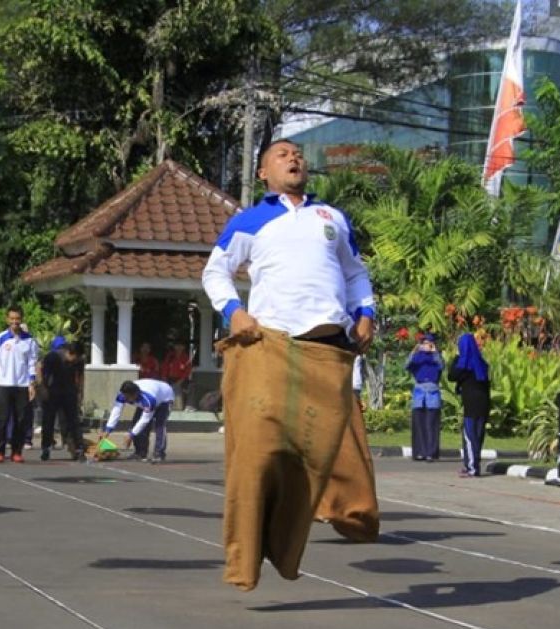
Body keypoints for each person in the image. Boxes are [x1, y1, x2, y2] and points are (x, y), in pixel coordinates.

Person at [201, 137, 379, 591]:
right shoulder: (251, 220)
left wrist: (367, 314)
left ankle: (315, 527)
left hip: (328, 350)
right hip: (270, 346)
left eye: (298, 153)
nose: (294, 158)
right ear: (263, 173)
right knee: (258, 456)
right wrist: (233, 312)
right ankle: (245, 558)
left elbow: (356, 273)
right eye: (282, 154)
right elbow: (214, 271)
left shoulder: (332, 218)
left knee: (319, 456)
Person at [0, 306, 38, 463]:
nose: (15, 322)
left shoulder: (29, 340)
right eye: (12, 319)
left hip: (22, 385)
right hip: (3, 383)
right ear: (7, 319)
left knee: (20, 419)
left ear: (21, 319)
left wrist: (32, 384)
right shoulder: (0, 338)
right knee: (2, 418)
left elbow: (32, 362)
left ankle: (16, 451)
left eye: (17, 319)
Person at [448, 332, 491, 478]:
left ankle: (472, 468)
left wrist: (456, 356)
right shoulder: (482, 363)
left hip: (471, 405)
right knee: (478, 436)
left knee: (469, 436)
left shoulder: (464, 365)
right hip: (484, 403)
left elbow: (451, 375)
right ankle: (473, 465)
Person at [102, 379, 174, 463]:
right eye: (125, 397)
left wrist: (131, 435)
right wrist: (108, 430)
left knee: (159, 425)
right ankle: (140, 452)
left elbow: (145, 420)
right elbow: (116, 411)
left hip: (165, 399)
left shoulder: (148, 400)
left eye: (128, 398)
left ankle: (159, 453)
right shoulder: (122, 395)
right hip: (153, 392)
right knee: (136, 423)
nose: (126, 399)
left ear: (135, 394)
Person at [39, 336, 82, 461]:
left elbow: (80, 376)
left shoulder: (78, 360)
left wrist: (79, 393)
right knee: (48, 421)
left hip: (69, 392)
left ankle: (77, 448)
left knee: (72, 421)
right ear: (69, 353)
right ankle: (46, 448)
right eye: (74, 358)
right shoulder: (53, 357)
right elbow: (40, 370)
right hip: (52, 391)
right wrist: (43, 388)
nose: (75, 361)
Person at [405, 333, 444, 462]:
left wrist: (434, 352)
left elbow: (442, 366)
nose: (426, 346)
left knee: (431, 423)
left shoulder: (436, 357)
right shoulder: (417, 357)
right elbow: (407, 365)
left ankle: (431, 453)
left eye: (429, 343)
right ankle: (419, 452)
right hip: (419, 391)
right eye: (424, 343)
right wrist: (414, 350)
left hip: (432, 391)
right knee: (419, 423)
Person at [160, 341, 193, 410]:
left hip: (182, 380)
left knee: (176, 387)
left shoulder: (186, 358)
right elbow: (164, 368)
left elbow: (187, 372)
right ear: (174, 347)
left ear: (184, 347)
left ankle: (178, 407)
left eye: (181, 346)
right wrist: (164, 380)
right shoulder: (170, 356)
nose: (179, 347)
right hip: (169, 379)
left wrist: (180, 382)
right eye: (177, 345)